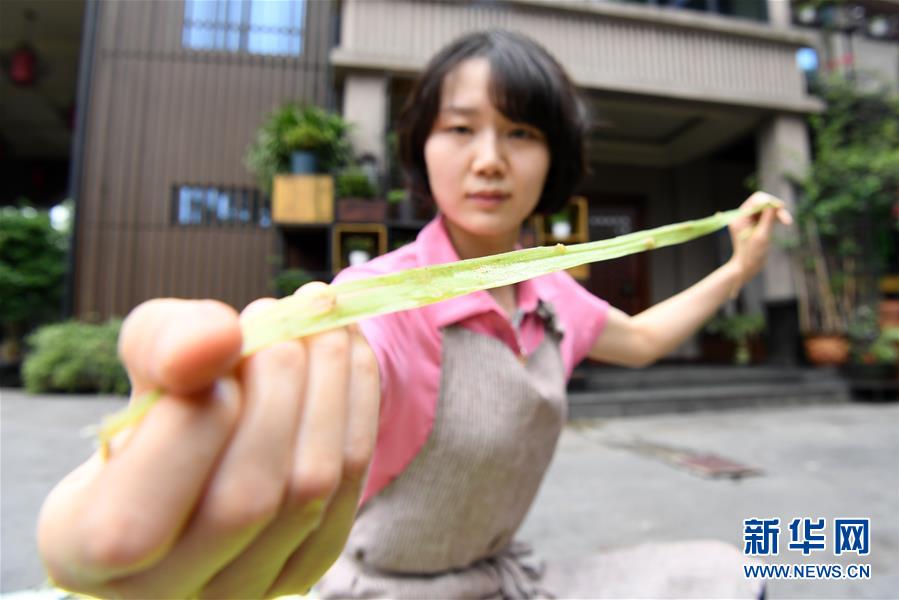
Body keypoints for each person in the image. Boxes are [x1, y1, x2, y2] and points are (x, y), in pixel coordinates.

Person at [38, 30, 791, 599]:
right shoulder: (385, 300)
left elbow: (646, 338)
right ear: (423, 147)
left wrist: (738, 268)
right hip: (378, 590)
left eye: (521, 132)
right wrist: (179, 453)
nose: (489, 158)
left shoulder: (552, 294)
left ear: (553, 158)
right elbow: (334, 357)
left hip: (502, 580)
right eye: (460, 128)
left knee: (731, 575)